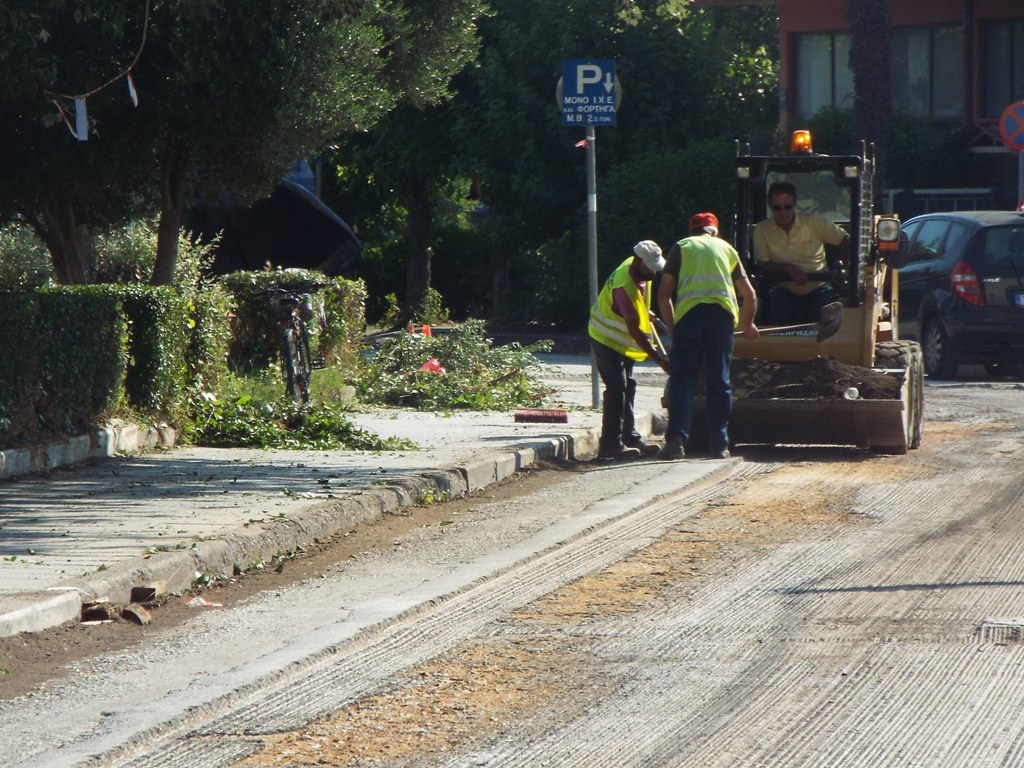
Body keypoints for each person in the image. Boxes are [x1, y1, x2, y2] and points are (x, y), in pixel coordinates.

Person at [657, 212, 758, 460]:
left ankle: (677, 441)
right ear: (714, 230)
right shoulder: (727, 249)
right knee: (719, 381)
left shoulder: (681, 247)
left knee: (683, 381)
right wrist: (748, 325)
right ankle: (719, 445)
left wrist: (672, 326)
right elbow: (750, 295)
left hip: (688, 319)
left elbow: (663, 294)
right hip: (721, 320)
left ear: (693, 231)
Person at [588, 240, 672, 460]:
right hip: (605, 337)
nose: (653, 271)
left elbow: (638, 301)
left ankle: (630, 437)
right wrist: (660, 359)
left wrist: (647, 310)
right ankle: (610, 445)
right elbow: (635, 330)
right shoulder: (624, 285)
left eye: (655, 267)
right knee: (617, 387)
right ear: (637, 261)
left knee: (629, 385)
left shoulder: (640, 272)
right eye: (649, 267)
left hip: (620, 339)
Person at [753, 180, 849, 325]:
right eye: (777, 208)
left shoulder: (815, 223)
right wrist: (788, 268)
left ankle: (825, 346)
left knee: (829, 307)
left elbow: (845, 240)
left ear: (794, 205)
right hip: (782, 288)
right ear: (770, 207)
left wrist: (841, 268)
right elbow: (763, 265)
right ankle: (776, 344)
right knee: (773, 302)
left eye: (787, 207)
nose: (783, 213)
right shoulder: (761, 230)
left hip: (819, 286)